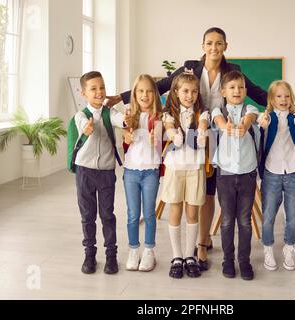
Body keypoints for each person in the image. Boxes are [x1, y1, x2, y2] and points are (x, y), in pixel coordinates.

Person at [107, 27, 268, 269]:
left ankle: (201, 243)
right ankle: (188, 246)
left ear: (226, 46)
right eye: (210, 43)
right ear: (202, 45)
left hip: (219, 134)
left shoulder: (234, 71)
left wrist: (286, 104)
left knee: (208, 190)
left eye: (219, 43)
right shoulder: (190, 67)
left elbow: (254, 91)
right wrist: (121, 98)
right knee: (194, 190)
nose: (214, 47)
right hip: (189, 133)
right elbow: (159, 86)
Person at [258, 80, 295, 272]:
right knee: (268, 216)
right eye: (278, 96)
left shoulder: (294, 119)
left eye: (287, 96)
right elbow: (261, 125)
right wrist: (262, 123)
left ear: (291, 98)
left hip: (294, 172)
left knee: (292, 216)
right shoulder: (266, 118)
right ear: (271, 99)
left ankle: (289, 247)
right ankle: (267, 248)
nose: (283, 99)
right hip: (271, 173)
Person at [73, 71, 128, 274]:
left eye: (102, 87)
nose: (99, 92)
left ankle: (111, 255)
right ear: (84, 93)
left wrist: (126, 119)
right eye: (94, 88)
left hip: (106, 171)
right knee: (87, 215)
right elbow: (82, 127)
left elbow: (120, 119)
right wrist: (87, 129)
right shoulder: (81, 116)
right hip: (84, 171)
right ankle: (89, 254)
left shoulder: (109, 112)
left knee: (107, 214)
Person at [211, 70, 260, 280]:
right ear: (223, 91)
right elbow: (219, 120)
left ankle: (244, 260)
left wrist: (242, 125)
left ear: (246, 90)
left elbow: (250, 118)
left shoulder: (250, 108)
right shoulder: (218, 110)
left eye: (240, 87)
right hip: (226, 175)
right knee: (227, 221)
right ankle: (228, 260)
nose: (237, 91)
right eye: (231, 87)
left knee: (245, 221)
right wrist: (227, 127)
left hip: (248, 173)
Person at [161, 72, 209, 279]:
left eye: (194, 91)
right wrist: (173, 136)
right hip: (175, 168)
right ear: (176, 92)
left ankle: (190, 256)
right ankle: (177, 256)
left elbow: (204, 126)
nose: (190, 95)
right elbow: (169, 127)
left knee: (192, 213)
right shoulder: (169, 113)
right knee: (175, 211)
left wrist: (202, 134)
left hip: (195, 168)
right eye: (185, 91)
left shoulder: (203, 113)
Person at [122, 74, 163, 272]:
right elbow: (125, 141)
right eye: (140, 91)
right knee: (132, 214)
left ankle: (149, 251)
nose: (145, 95)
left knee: (148, 214)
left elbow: (161, 146)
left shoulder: (161, 117)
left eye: (148, 91)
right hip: (131, 172)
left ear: (154, 94)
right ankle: (133, 250)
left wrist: (156, 138)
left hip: (150, 172)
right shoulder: (129, 116)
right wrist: (127, 134)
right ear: (135, 94)